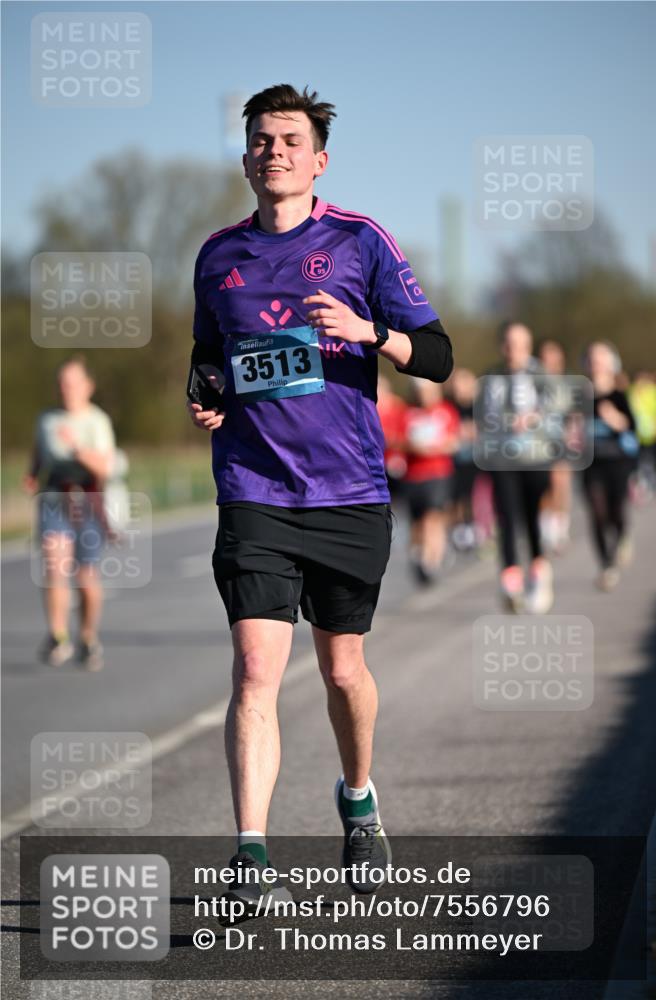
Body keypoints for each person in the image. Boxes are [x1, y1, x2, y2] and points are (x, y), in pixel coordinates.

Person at [186, 84, 452, 911]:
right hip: (253, 490)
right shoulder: (216, 256)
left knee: (341, 672)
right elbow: (208, 354)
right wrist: (203, 393)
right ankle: (251, 855)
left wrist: (368, 331)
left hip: (346, 490)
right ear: (245, 158)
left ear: (318, 159)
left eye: (290, 141)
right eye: (262, 141)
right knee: (255, 670)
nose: (275, 153)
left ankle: (359, 797)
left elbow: (438, 357)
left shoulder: (359, 241)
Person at [25, 357, 116, 670]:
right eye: (62, 383)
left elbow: (104, 467)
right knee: (54, 562)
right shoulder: (46, 419)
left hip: (87, 499)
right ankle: (58, 635)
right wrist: (32, 473)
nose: (66, 389)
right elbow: (38, 451)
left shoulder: (97, 421)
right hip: (53, 496)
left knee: (85, 576)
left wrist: (76, 447)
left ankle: (88, 637)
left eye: (73, 383)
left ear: (87, 387)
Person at [478, 322, 554, 614]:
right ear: (502, 346)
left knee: (532, 516)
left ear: (529, 346)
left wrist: (533, 418)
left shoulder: (541, 376)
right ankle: (510, 578)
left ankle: (538, 570)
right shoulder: (492, 377)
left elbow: (557, 409)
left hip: (535, 457)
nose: (514, 350)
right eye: (509, 343)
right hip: (502, 457)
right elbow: (484, 414)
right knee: (507, 517)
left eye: (520, 344)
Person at [581, 342, 638, 591]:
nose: (596, 364)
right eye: (592, 359)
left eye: (601, 359)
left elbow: (634, 428)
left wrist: (614, 419)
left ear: (611, 363)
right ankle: (606, 565)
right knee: (596, 512)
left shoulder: (620, 395)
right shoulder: (579, 396)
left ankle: (623, 536)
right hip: (590, 462)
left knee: (616, 510)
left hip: (617, 462)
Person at [402, 377, 459, 583]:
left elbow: (454, 442)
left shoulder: (445, 411)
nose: (424, 396)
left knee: (432, 517)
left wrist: (434, 447)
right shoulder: (408, 413)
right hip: (413, 475)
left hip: (438, 473)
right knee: (417, 522)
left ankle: (431, 559)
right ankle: (421, 554)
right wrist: (413, 447)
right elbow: (397, 441)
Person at [537, 339, 573, 555]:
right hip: (539, 441)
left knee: (560, 481)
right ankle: (546, 525)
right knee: (544, 485)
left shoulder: (568, 383)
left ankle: (561, 525)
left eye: (553, 356)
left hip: (562, 438)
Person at [448, 367, 479, 553]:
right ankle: (460, 528)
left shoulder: (480, 405)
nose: (460, 388)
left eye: (464, 382)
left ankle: (478, 527)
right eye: (456, 384)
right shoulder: (449, 406)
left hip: (478, 459)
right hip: (456, 460)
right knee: (457, 495)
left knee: (476, 495)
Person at [376, 373, 408, 498]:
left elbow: (405, 432)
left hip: (396, 461)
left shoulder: (398, 407)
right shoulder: (369, 408)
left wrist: (393, 440)